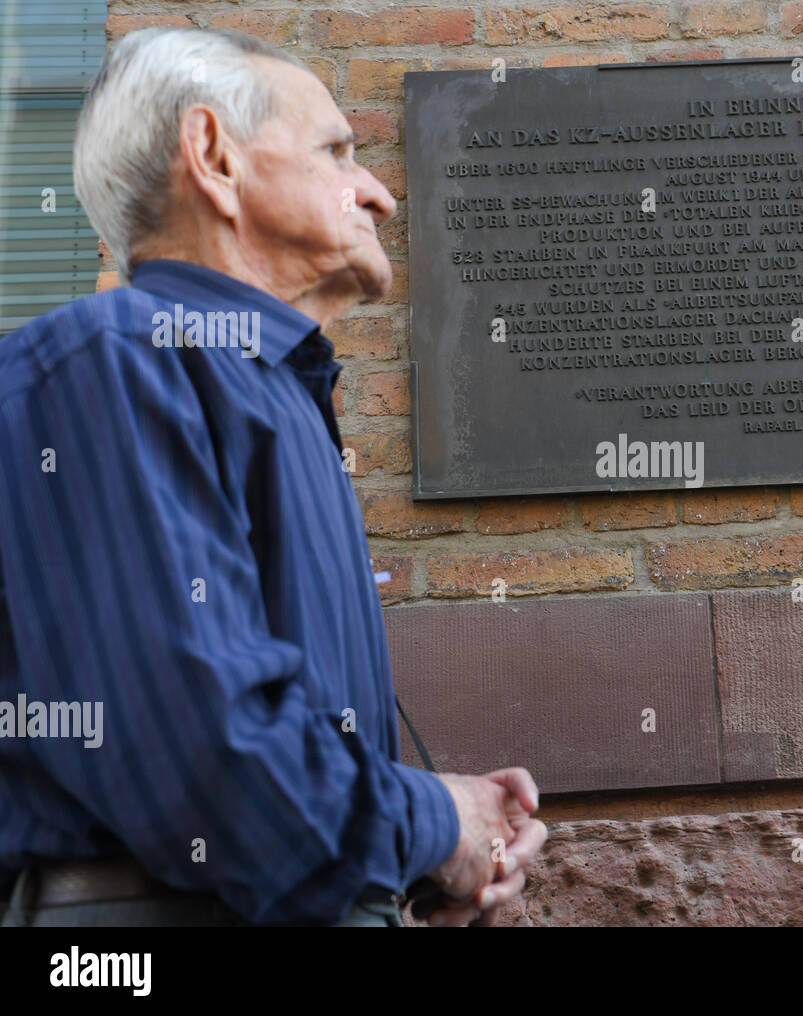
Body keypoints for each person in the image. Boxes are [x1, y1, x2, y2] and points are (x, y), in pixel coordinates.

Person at [0, 26, 546, 927]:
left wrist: (428, 870)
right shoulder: (113, 361)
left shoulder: (270, 390)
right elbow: (203, 754)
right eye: (336, 150)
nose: (377, 194)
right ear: (212, 156)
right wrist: (438, 821)